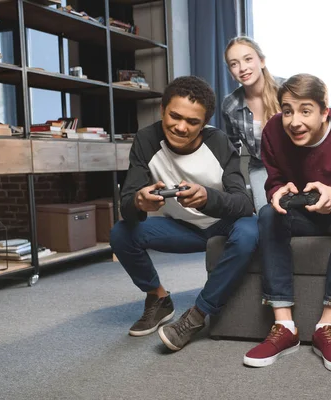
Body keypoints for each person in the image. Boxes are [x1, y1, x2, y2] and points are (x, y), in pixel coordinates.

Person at [110, 76, 258, 352]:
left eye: (192, 122)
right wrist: (140, 203)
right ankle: (158, 298)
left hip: (224, 225)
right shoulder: (146, 140)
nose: (181, 127)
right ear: (162, 110)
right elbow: (127, 204)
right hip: (184, 228)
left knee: (251, 230)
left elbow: (244, 204)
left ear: (204, 124)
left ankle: (197, 315)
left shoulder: (219, 143)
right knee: (121, 233)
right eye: (174, 116)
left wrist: (208, 197)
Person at [242, 73, 331, 373]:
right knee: (267, 213)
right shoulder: (273, 132)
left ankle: (326, 327)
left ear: (324, 110)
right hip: (301, 214)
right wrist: (276, 192)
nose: (294, 121)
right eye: (287, 110)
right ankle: (284, 326)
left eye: (305, 111)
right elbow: (274, 182)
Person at [222, 36, 284, 213]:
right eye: (234, 64)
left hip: (295, 163)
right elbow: (232, 149)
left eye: (248, 59)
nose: (242, 68)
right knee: (267, 216)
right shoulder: (230, 105)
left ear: (262, 61)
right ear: (230, 71)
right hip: (260, 166)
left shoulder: (287, 90)